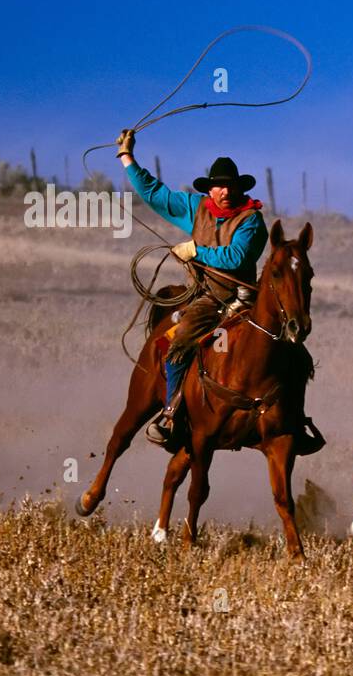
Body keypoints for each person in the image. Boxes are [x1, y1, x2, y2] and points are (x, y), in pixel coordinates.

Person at [114, 128, 267, 446]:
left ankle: (294, 420)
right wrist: (127, 157)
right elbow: (155, 194)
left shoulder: (252, 220)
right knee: (177, 343)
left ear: (239, 188)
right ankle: (171, 412)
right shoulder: (195, 208)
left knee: (286, 346)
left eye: (230, 185)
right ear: (210, 189)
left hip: (243, 299)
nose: (224, 191)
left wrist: (197, 251)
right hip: (207, 299)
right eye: (219, 185)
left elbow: (236, 256)